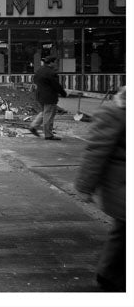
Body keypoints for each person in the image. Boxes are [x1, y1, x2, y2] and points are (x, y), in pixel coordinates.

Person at [75, 86, 126, 292]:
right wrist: (85, 186)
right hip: (121, 186)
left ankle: (110, 275)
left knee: (122, 231)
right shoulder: (113, 115)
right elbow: (95, 153)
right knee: (123, 231)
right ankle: (109, 276)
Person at [29, 56, 67, 140]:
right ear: (51, 62)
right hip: (49, 96)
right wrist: (63, 93)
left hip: (40, 95)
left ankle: (33, 126)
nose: (56, 64)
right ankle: (48, 135)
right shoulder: (51, 73)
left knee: (44, 112)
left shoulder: (39, 70)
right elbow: (56, 85)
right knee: (49, 115)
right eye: (55, 62)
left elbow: (35, 80)